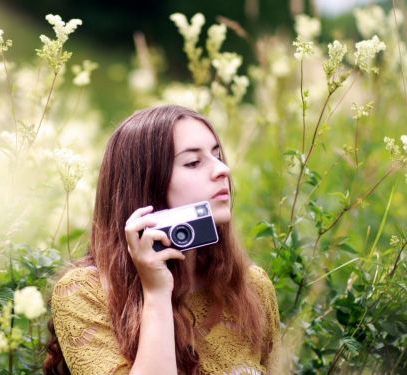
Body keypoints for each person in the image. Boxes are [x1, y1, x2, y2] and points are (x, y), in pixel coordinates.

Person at [43, 105, 281, 374]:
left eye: (217, 155)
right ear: (146, 185)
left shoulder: (249, 287)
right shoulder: (84, 293)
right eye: (193, 162)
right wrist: (156, 292)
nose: (222, 169)